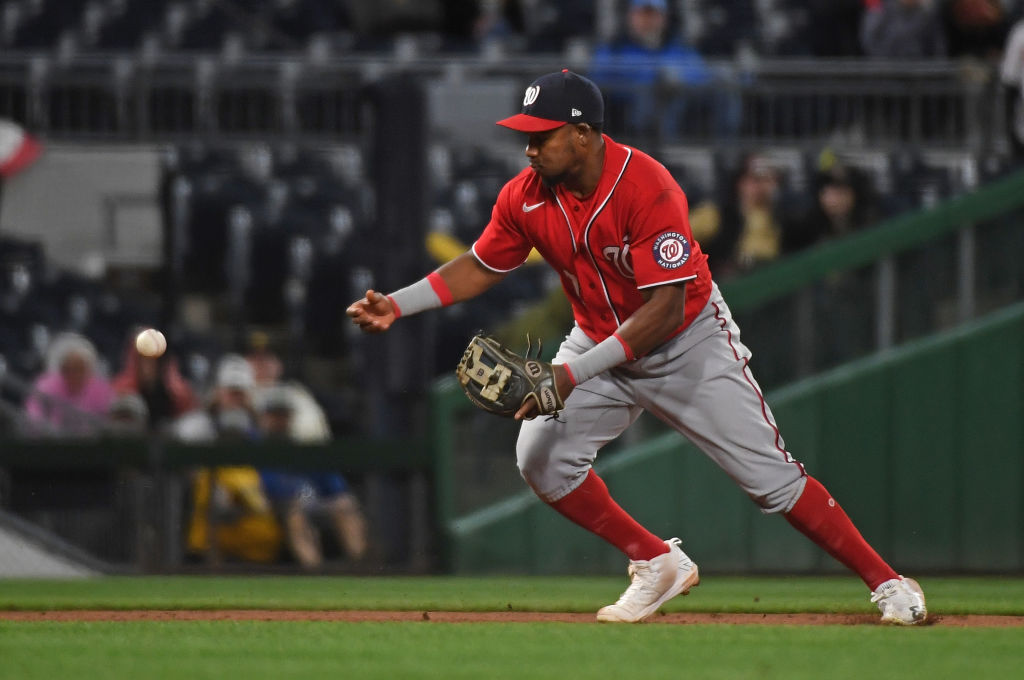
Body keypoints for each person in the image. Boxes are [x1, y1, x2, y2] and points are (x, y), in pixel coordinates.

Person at [346, 70, 928, 625]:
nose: (529, 150)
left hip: (686, 344)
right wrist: (398, 304)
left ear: (583, 135)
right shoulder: (525, 195)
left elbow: (664, 311)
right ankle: (658, 562)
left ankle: (889, 583)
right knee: (540, 459)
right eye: (524, 136)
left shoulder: (647, 188)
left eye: (540, 136)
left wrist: (572, 375)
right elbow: (480, 265)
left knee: (771, 481)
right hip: (599, 337)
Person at [256, 385, 368, 567]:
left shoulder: (301, 444)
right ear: (264, 416)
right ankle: (315, 571)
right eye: (274, 414)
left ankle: (360, 567)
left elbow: (332, 483)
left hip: (310, 500)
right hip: (273, 504)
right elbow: (261, 483)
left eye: (283, 415)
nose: (279, 420)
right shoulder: (255, 444)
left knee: (345, 504)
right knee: (296, 513)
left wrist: (338, 496)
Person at [589, 0, 713, 138]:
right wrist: (643, 77)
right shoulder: (615, 47)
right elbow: (599, 77)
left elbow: (702, 75)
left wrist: (677, 78)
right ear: (630, 17)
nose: (648, 21)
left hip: (675, 115)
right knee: (647, 93)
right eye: (642, 15)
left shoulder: (679, 47)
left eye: (654, 15)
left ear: (664, 18)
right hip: (626, 115)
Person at [24, 332, 115, 435]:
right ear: (62, 370)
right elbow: (34, 414)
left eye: (80, 369)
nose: (75, 374)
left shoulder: (100, 390)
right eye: (70, 369)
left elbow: (109, 416)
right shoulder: (45, 386)